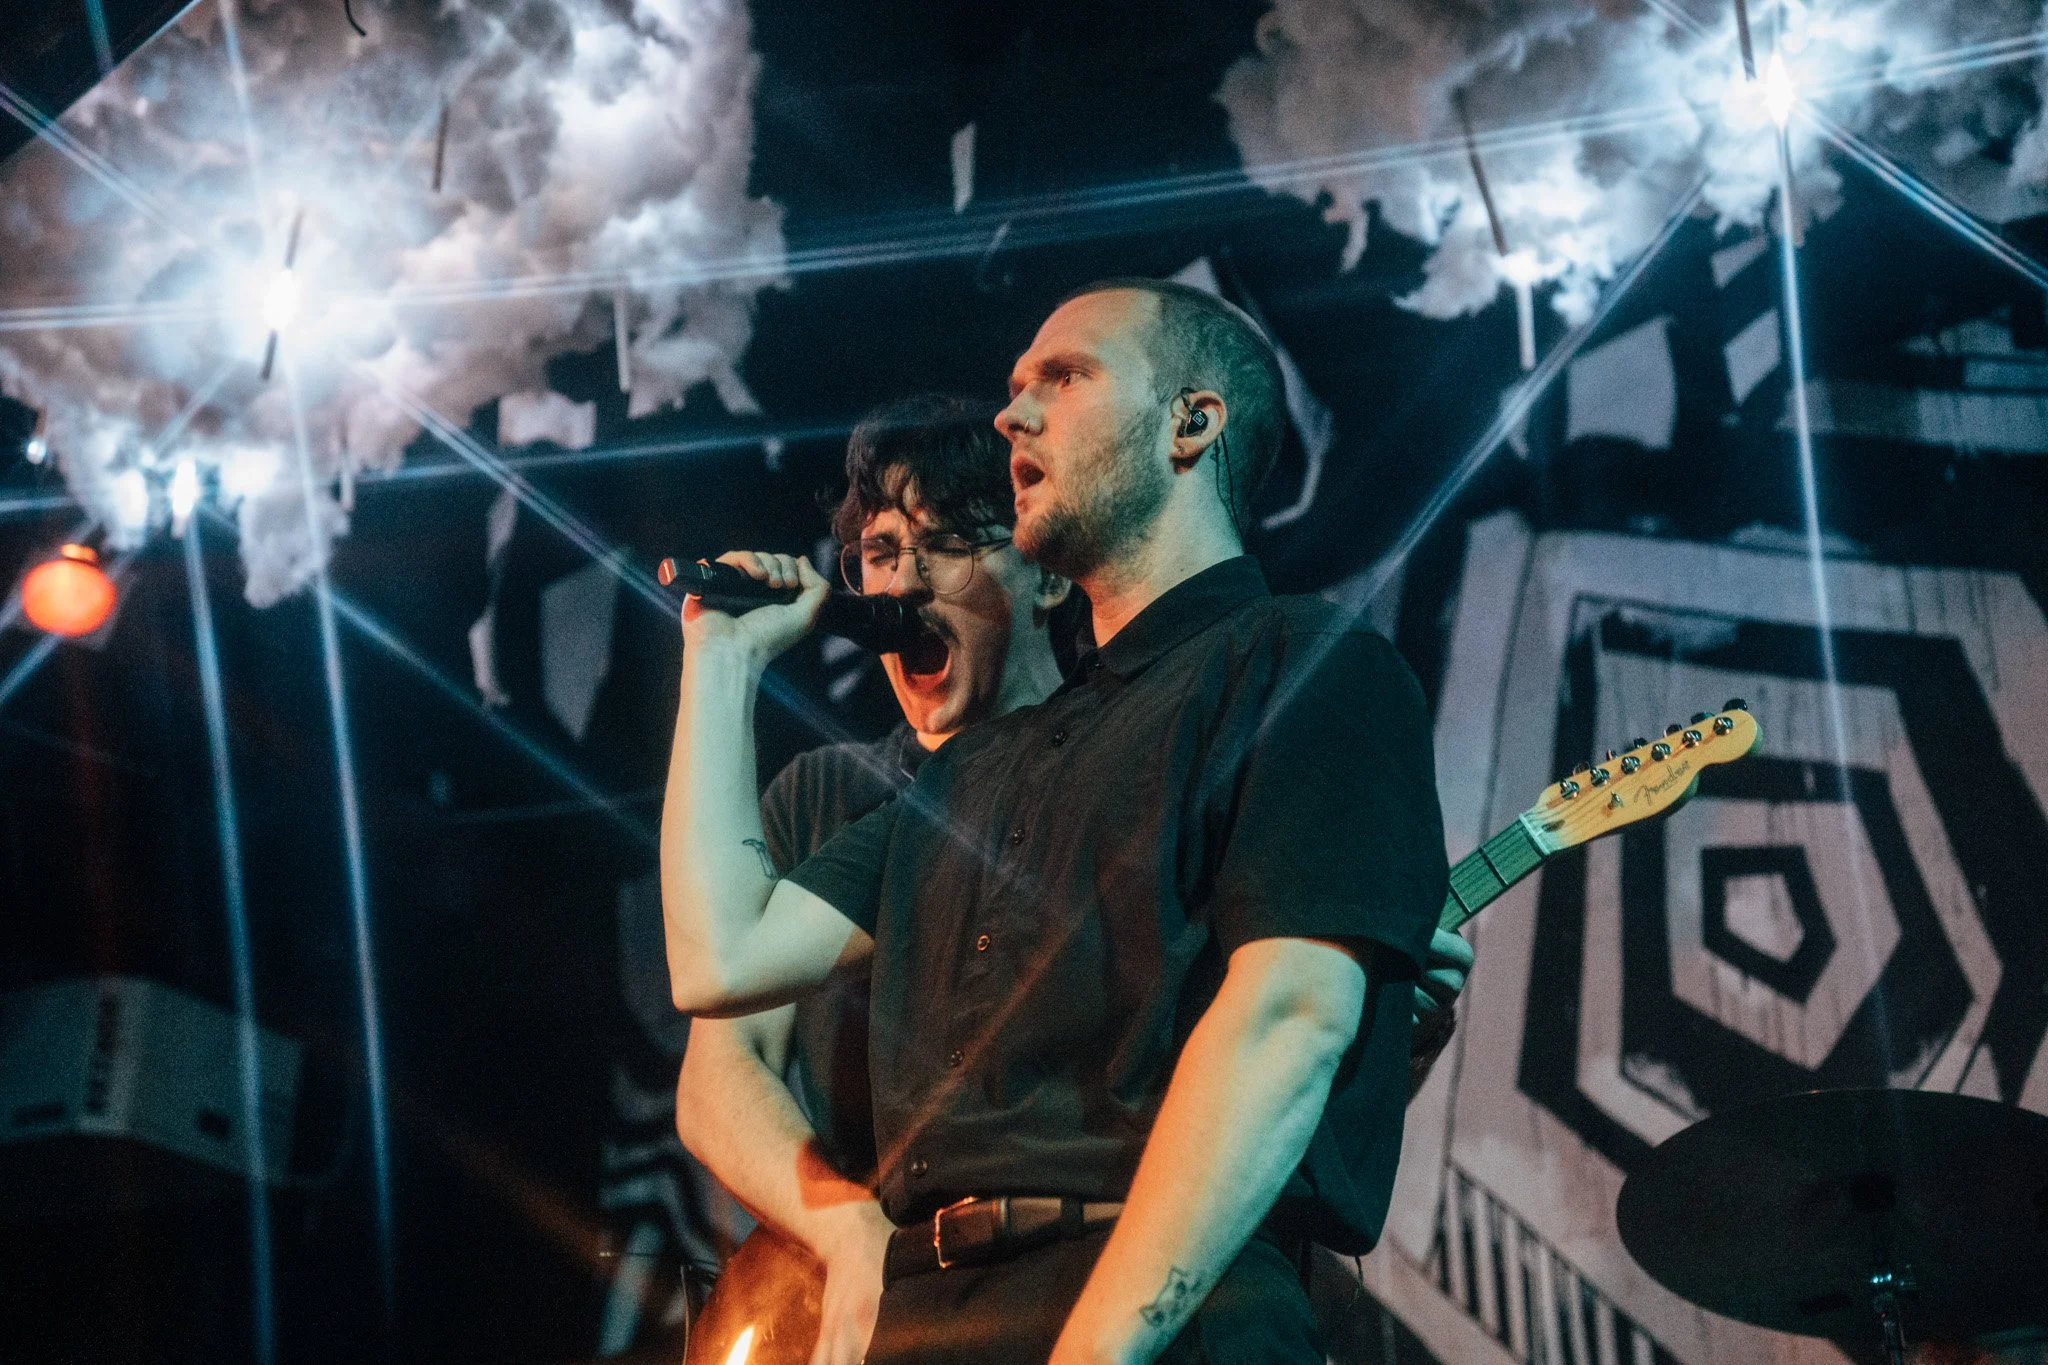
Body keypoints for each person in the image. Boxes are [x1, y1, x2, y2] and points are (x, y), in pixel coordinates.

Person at [660, 280, 1452, 1364]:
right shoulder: (976, 766)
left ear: (1191, 422)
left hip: (1152, 1316)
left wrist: (1094, 1353)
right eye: (1012, 387)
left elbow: (1286, 1019)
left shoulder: (1300, 661)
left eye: (1062, 379)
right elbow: (719, 959)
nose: (1010, 415)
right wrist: (718, 665)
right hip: (922, 1311)